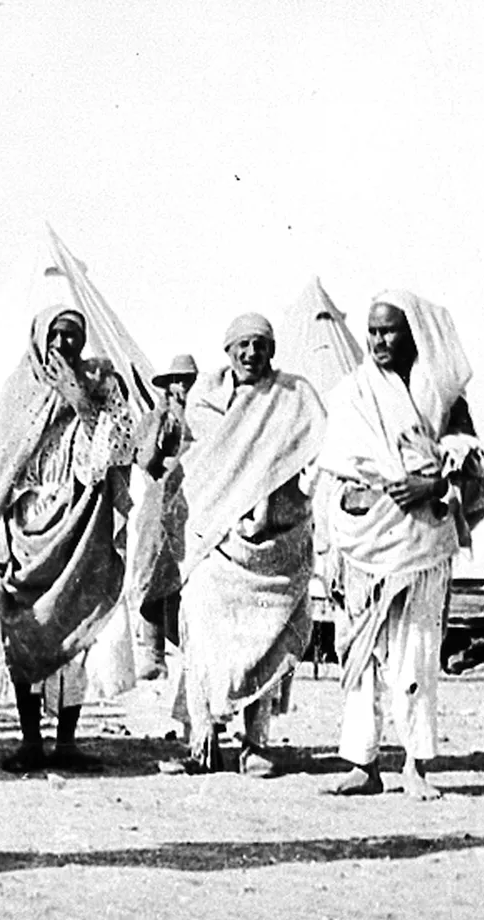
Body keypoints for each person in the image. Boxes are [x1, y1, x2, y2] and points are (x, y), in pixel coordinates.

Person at [319, 291, 484, 800]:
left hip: (422, 542)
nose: (378, 340)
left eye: (388, 330)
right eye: (372, 331)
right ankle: (363, 763)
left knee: (417, 651)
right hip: (364, 539)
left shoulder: (442, 396)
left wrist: (431, 485)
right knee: (361, 653)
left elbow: (472, 464)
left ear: (412, 333)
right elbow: (335, 470)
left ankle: (416, 763)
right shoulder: (352, 393)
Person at [162, 315, 324, 777]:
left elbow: (318, 452)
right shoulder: (205, 403)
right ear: (228, 350)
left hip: (276, 543)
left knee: (266, 640)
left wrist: (290, 493)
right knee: (203, 630)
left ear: (272, 350)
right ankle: (203, 741)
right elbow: (195, 469)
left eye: (260, 345)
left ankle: (256, 743)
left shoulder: (293, 397)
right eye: (243, 345)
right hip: (216, 540)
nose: (251, 353)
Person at [0, 306, 136, 773]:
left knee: (72, 627)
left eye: (73, 335)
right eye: (56, 335)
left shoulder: (101, 381)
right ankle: (30, 740)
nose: (64, 344)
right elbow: (1, 465)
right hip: (27, 522)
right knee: (23, 629)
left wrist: (81, 399)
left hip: (80, 521)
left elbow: (114, 452)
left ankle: (66, 741)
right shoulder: (18, 388)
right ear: (40, 338)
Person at [127, 353, 198, 680]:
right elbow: (146, 461)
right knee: (153, 570)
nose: (182, 386)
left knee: (190, 580)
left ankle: (190, 652)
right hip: (159, 504)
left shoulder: (205, 416)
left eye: (187, 380)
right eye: (176, 380)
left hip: (194, 502)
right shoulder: (155, 419)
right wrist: (160, 417)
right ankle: (153, 653)